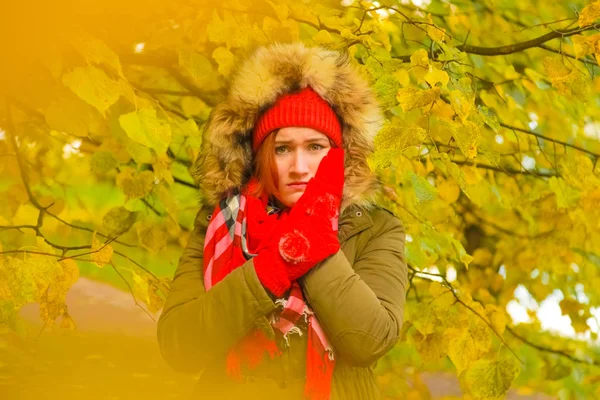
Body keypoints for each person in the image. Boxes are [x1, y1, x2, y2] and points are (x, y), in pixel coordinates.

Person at [157, 42, 408, 400]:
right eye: (283, 148)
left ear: (341, 154)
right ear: (261, 156)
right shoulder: (220, 224)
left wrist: (312, 241)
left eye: (316, 147)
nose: (299, 167)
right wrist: (271, 269)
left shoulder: (376, 229)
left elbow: (370, 340)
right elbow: (180, 346)